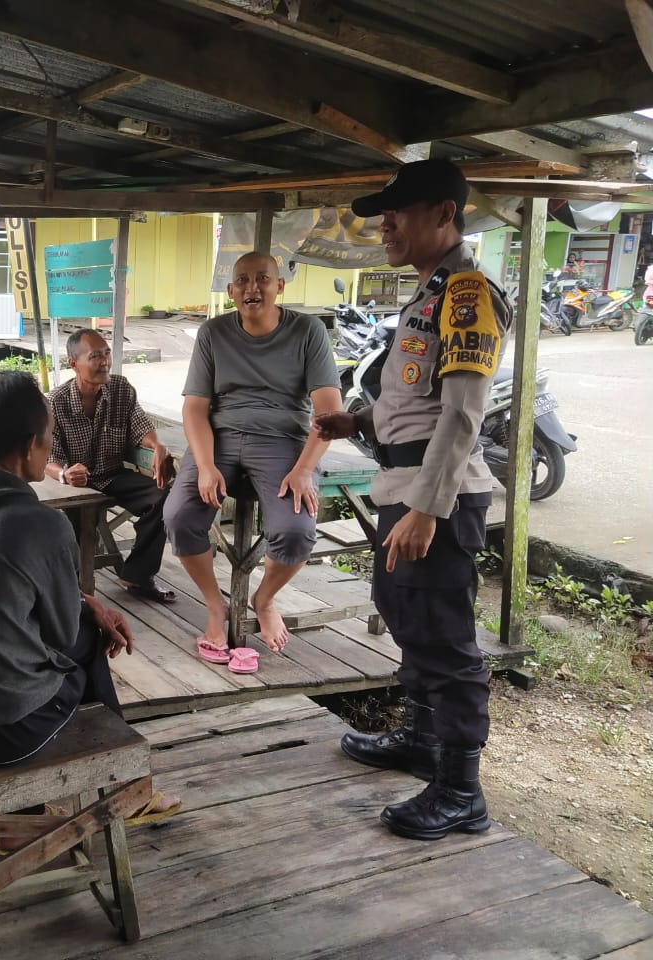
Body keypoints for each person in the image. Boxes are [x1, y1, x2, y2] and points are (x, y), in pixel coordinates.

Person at [315, 158, 510, 841]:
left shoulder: (465, 293)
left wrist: (430, 507)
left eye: (399, 210)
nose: (384, 223)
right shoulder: (427, 294)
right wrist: (357, 422)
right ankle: (423, 739)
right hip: (404, 484)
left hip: (438, 495)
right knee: (406, 614)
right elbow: (413, 402)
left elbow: (461, 415)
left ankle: (461, 791)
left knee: (446, 640)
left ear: (444, 215)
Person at [0, 371, 179, 822]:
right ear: (30, 447)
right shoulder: (41, 524)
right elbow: (64, 633)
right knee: (87, 639)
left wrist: (87, 599)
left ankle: (24, 815)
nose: (50, 448)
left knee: (65, 625)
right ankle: (126, 786)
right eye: (49, 439)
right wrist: (87, 609)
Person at [163, 252, 342, 663]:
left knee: (296, 529)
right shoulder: (213, 333)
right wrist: (205, 467)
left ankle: (264, 600)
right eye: (242, 280)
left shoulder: (308, 331)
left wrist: (304, 469)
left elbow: (329, 411)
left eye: (263, 279)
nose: (252, 288)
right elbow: (194, 408)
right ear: (230, 292)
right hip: (220, 436)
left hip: (282, 441)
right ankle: (214, 605)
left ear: (280, 286)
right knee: (179, 516)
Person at [47, 329, 175, 603]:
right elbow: (49, 457)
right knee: (73, 520)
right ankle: (73, 592)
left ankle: (138, 575)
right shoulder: (55, 402)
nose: (104, 362)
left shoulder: (121, 389)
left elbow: (140, 424)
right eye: (95, 356)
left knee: (164, 497)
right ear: (73, 363)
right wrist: (64, 474)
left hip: (112, 475)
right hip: (75, 485)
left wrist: (157, 446)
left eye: (106, 354)